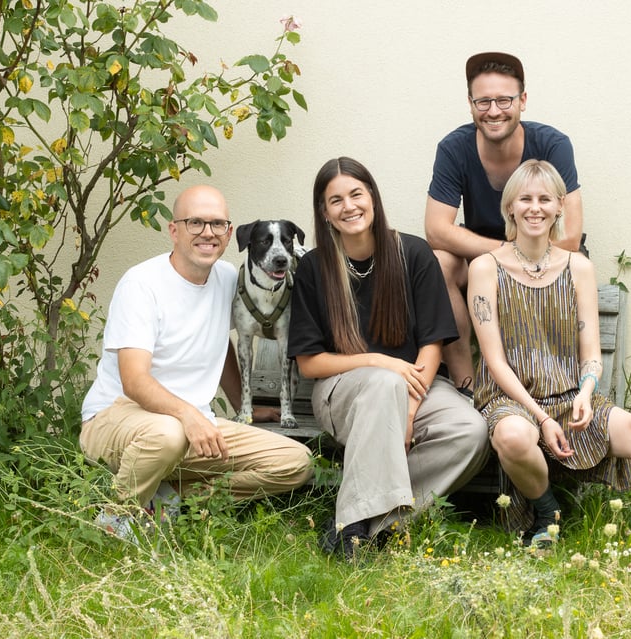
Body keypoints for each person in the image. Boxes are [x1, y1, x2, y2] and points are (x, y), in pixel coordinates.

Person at [469, 160, 631, 560]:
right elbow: (494, 361)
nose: (534, 208)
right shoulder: (485, 268)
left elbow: (591, 355)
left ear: (559, 208)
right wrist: (539, 417)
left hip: (570, 394)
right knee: (513, 435)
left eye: (544, 199)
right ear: (510, 208)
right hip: (512, 401)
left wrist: (587, 393)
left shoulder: (578, 268)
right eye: (525, 199)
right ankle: (545, 512)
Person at [80, 185, 313, 539]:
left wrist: (243, 408)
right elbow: (134, 381)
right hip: (117, 417)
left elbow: (219, 348)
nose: (208, 232)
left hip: (190, 426)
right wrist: (189, 416)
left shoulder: (225, 279)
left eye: (218, 224)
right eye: (196, 223)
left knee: (295, 463)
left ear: (229, 233)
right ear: (174, 230)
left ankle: (173, 503)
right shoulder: (141, 284)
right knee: (168, 434)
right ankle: (116, 517)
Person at [288, 157, 490, 560]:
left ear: (373, 198)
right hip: (343, 391)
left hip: (416, 385)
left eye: (356, 194)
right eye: (335, 200)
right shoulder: (314, 268)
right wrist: (380, 362)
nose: (349, 207)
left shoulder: (413, 253)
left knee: (470, 431)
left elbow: (433, 343)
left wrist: (410, 411)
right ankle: (354, 526)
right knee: (382, 384)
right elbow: (311, 364)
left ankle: (374, 519)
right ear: (324, 213)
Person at [425, 51, 586, 396]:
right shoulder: (455, 148)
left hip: (547, 257)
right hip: (484, 263)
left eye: (504, 99)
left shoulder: (552, 145)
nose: (494, 111)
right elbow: (437, 229)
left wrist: (519, 257)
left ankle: (555, 389)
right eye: (483, 101)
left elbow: (570, 236)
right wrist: (504, 255)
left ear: (522, 101)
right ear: (470, 104)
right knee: (439, 261)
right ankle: (467, 389)